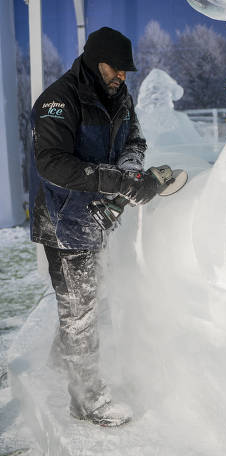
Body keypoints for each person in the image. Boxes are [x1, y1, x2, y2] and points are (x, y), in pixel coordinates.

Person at [30, 26, 164, 427]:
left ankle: (60, 363)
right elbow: (50, 162)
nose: (122, 76)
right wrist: (116, 181)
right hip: (65, 220)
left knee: (91, 300)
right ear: (94, 61)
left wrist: (131, 171)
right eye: (116, 68)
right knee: (80, 313)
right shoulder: (59, 99)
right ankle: (86, 400)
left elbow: (134, 139)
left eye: (127, 70)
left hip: (98, 217)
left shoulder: (119, 95)